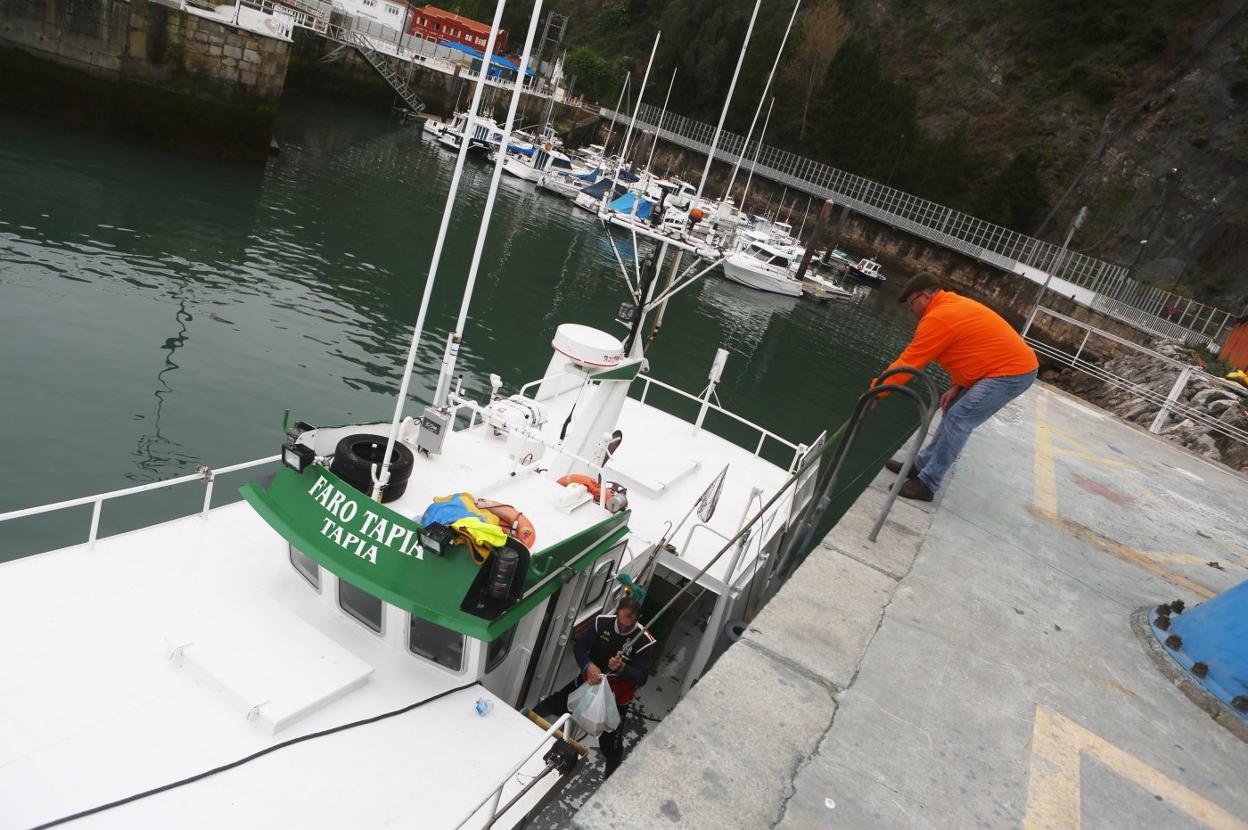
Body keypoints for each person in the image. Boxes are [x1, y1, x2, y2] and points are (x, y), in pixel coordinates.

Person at [878, 272, 1038, 502]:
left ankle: (927, 485)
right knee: (952, 410)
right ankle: (919, 466)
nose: (909, 309)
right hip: (996, 368)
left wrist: (877, 391)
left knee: (959, 418)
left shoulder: (938, 317)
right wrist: (958, 386)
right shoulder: (950, 305)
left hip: (1012, 372)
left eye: (911, 303)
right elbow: (975, 350)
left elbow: (908, 363)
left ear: (925, 296)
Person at [534, 596, 655, 777]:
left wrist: (622, 668)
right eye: (620, 623)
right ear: (616, 613)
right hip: (586, 684)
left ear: (638, 619)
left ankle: (610, 778)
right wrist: (588, 666)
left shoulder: (644, 641)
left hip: (614, 701)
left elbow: (642, 677)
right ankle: (523, 722)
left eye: (627, 626)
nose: (622, 628)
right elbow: (580, 648)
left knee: (610, 746)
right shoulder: (602, 623)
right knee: (552, 704)